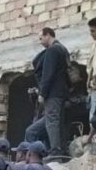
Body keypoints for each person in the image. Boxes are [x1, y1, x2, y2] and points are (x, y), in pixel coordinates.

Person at [26, 28, 70, 158]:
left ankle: (55, 150)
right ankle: (62, 149)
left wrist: (42, 93)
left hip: (53, 93)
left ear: (48, 35)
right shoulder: (62, 49)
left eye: (41, 38)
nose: (40, 42)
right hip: (62, 92)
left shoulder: (52, 50)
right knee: (58, 120)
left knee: (52, 121)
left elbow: (48, 74)